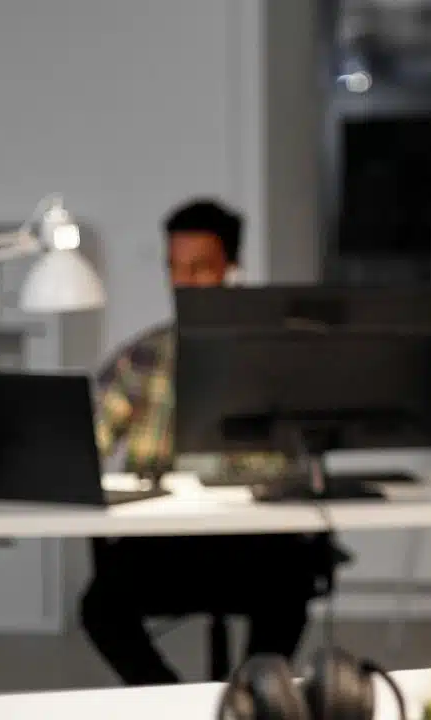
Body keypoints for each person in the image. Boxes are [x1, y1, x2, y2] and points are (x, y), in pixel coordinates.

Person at [79, 199, 341, 685]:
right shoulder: (142, 357)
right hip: (164, 541)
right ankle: (169, 702)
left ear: (231, 269)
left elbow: (306, 453)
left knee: (289, 589)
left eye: (200, 268)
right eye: (175, 268)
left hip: (256, 541)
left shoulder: (275, 358)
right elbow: (88, 442)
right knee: (101, 607)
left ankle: (249, 700)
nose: (185, 281)